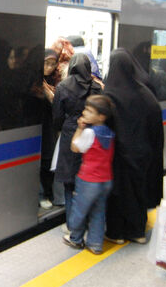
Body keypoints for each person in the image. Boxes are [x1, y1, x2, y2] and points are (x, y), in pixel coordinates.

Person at [104, 48, 164, 244]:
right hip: (143, 154)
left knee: (117, 194)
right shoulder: (145, 93)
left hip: (118, 157)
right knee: (138, 191)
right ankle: (137, 232)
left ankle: (116, 233)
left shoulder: (110, 94)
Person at [53, 53, 102, 228]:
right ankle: (87, 222)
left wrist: (62, 128)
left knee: (69, 181)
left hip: (70, 134)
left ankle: (72, 225)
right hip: (91, 132)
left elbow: (57, 116)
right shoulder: (97, 87)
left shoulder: (63, 87)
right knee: (86, 179)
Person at [62, 95, 115, 255]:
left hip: (88, 179)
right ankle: (95, 244)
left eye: (89, 111)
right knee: (98, 212)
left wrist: (79, 129)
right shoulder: (109, 133)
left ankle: (75, 238)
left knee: (79, 209)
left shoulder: (90, 133)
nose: (85, 112)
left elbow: (75, 147)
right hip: (106, 180)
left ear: (101, 116)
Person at [39, 49, 61, 209]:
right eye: (46, 63)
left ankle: (47, 193)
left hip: (49, 126)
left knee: (48, 159)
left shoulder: (55, 82)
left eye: (53, 64)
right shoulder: (34, 82)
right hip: (37, 124)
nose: (49, 67)